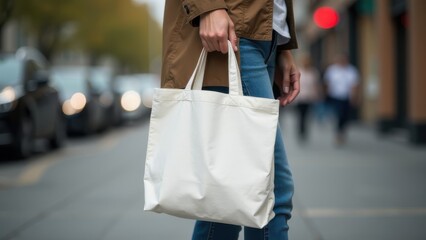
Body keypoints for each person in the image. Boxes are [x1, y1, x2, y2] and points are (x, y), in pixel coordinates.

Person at [162, 0, 300, 239]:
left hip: (264, 37)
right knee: (270, 190)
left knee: (228, 197)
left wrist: (282, 45)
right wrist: (208, 6)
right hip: (234, 35)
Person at [324, 54, 360, 145]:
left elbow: (354, 85)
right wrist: (326, 94)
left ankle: (342, 130)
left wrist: (354, 97)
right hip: (335, 96)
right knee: (339, 114)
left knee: (345, 116)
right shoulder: (332, 70)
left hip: (347, 97)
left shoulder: (351, 70)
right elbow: (327, 82)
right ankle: (338, 132)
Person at [294, 54, 320, 142]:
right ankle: (301, 130)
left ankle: (304, 130)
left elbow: (315, 85)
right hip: (300, 97)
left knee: (306, 115)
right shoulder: (299, 71)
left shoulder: (313, 72)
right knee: (300, 115)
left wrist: (316, 95)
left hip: (309, 97)